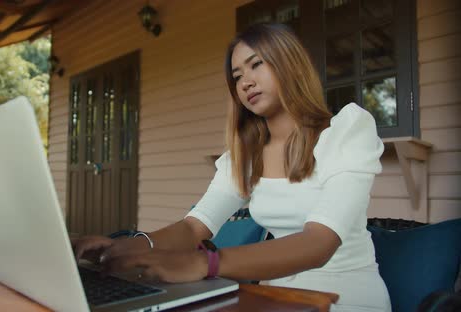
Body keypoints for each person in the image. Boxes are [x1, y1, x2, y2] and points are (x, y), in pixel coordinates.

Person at [73, 23, 391, 311]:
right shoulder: (244, 155)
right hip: (276, 298)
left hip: (347, 297)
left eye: (256, 65)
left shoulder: (346, 131)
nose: (246, 82)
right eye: (237, 77)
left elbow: (319, 243)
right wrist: (120, 248)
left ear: (290, 64)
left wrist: (206, 263)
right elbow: (194, 227)